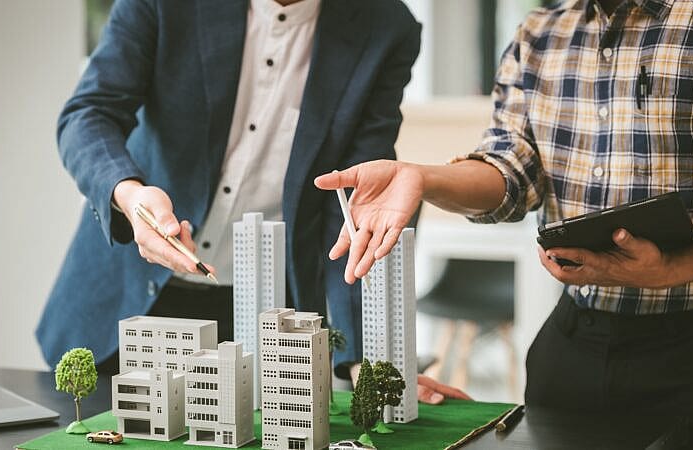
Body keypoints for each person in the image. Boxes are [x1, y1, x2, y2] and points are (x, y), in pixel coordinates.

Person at [36, 0, 463, 403]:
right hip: (128, 301)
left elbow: (353, 204)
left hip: (270, 318)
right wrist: (129, 196)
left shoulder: (386, 26)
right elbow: (89, 114)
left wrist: (366, 362)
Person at [316, 0, 693, 415]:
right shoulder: (540, 31)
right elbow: (511, 169)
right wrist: (422, 177)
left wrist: (676, 268)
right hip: (577, 339)